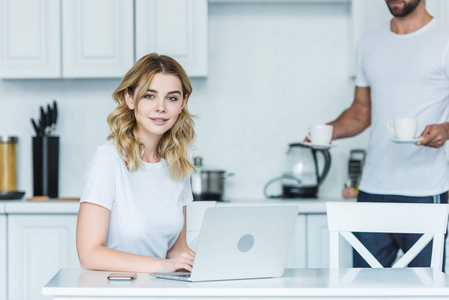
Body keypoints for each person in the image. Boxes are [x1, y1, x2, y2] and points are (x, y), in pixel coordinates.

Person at [322, 0, 449, 269]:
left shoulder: (445, 39)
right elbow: (361, 111)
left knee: (429, 290)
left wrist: (445, 130)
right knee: (364, 290)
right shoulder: (369, 42)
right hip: (372, 191)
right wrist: (325, 133)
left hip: (426, 193)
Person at [76, 53, 197, 273]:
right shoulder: (108, 159)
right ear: (130, 99)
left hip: (159, 290)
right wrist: (163, 266)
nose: (161, 107)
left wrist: (210, 264)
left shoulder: (177, 167)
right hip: (114, 290)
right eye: (149, 96)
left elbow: (176, 251)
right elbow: (89, 254)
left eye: (172, 98)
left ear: (183, 103)